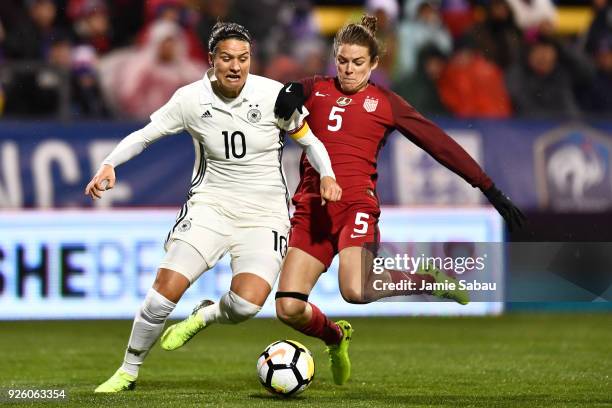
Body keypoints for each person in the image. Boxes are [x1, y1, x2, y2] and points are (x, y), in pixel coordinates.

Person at [88, 21, 341, 392]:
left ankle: (204, 315)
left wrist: (328, 174)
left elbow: (312, 143)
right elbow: (145, 135)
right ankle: (128, 371)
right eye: (227, 58)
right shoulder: (190, 99)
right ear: (211, 60)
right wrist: (109, 163)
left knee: (246, 306)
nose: (236, 66)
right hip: (210, 208)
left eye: (243, 58)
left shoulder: (274, 96)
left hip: (264, 216)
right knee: (163, 293)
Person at [272, 15, 525, 386]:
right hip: (311, 207)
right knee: (288, 308)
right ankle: (336, 337)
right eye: (342, 60)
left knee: (355, 291)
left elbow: (439, 144)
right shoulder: (315, 88)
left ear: (374, 64)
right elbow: (273, 97)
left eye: (358, 62)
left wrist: (488, 187)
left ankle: (426, 278)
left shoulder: (386, 103)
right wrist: (286, 90)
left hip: (356, 206)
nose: (348, 69)